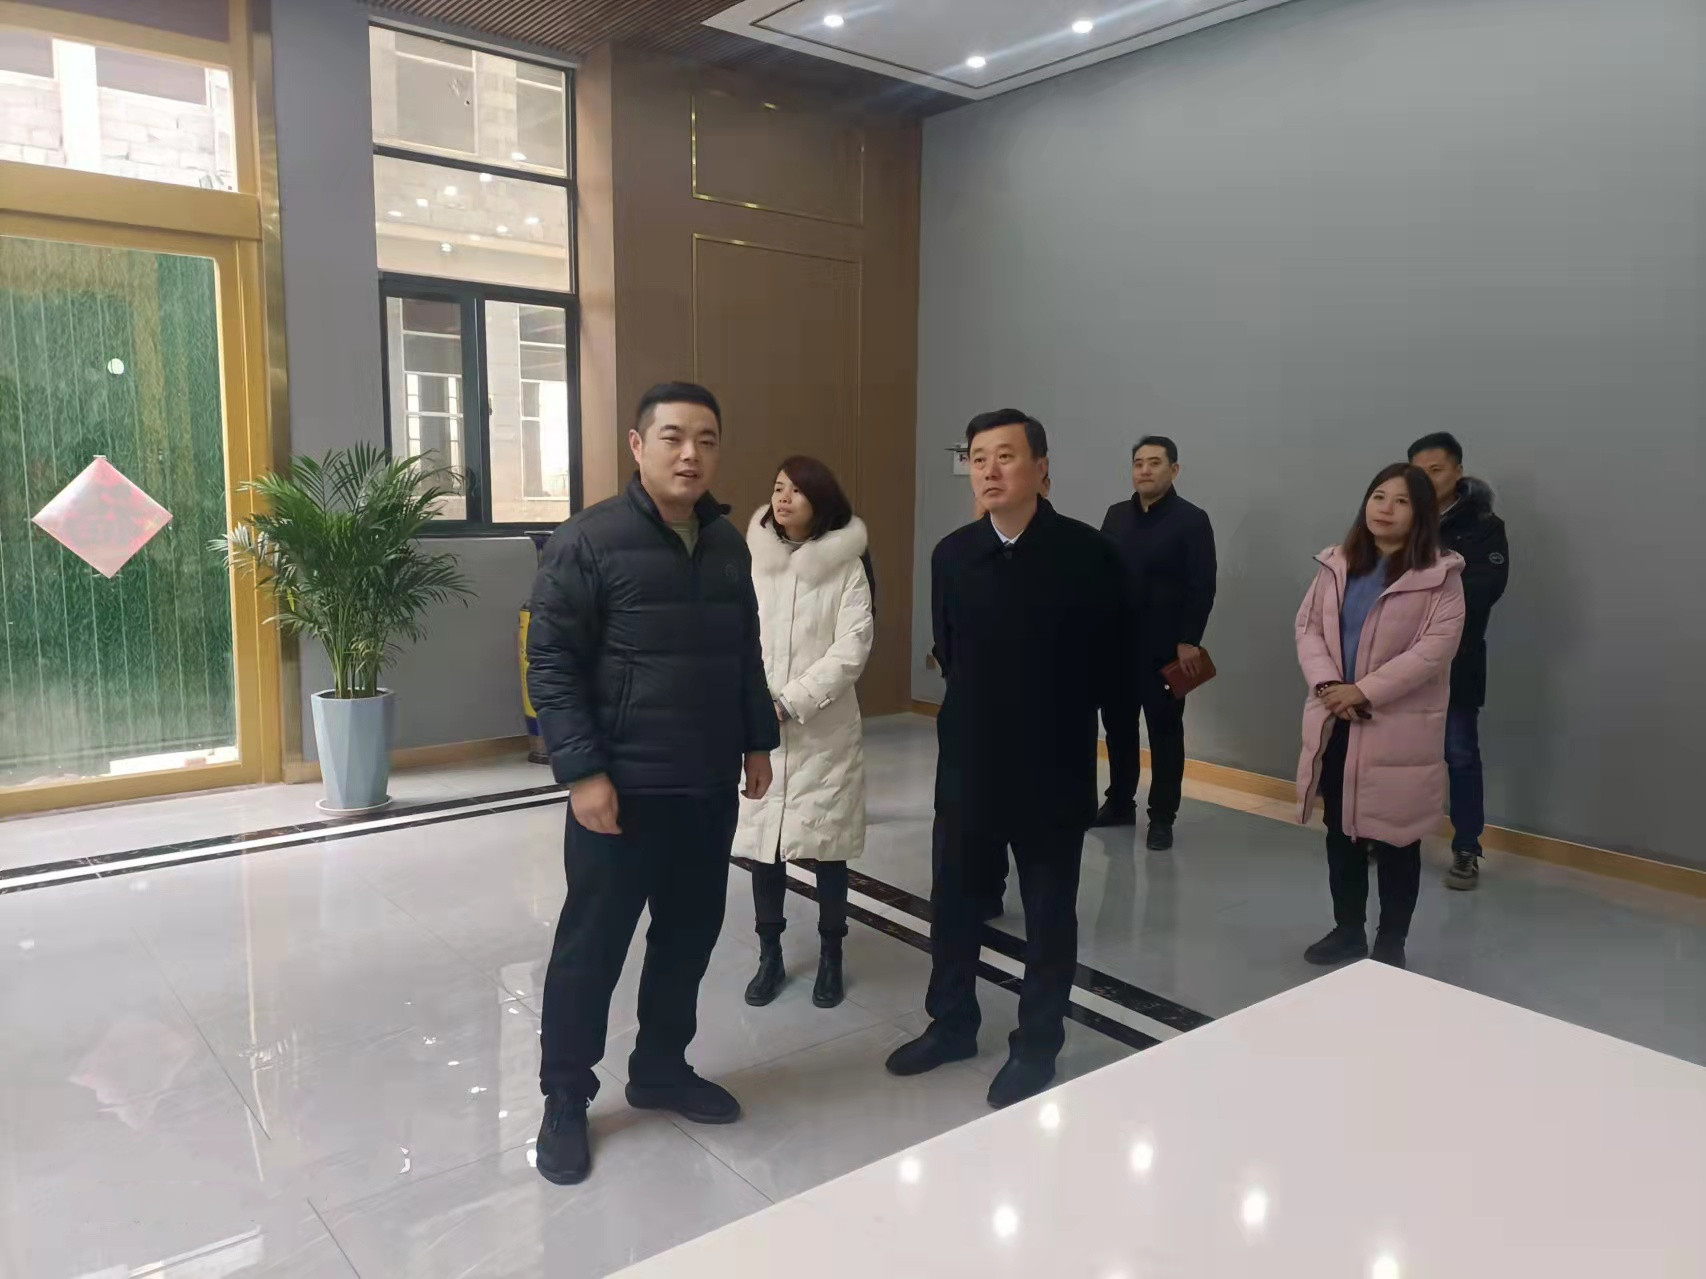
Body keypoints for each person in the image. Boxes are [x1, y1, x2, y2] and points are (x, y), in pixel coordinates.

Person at [525, 382, 777, 1186]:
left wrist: (756, 740)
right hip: (622, 791)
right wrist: (584, 772)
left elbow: (743, 651)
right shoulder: (588, 540)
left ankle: (661, 1066)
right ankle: (566, 1096)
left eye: (706, 439)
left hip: (703, 785)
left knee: (688, 935)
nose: (689, 454)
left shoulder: (727, 543)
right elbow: (551, 664)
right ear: (638, 445)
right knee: (592, 947)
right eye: (672, 437)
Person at [888, 410, 1132, 1108]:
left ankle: (1038, 1042)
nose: (989, 470)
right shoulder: (953, 554)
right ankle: (951, 1022)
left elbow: (1113, 662)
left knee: (1049, 910)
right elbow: (950, 650)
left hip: (1053, 763)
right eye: (978, 458)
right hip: (970, 760)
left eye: (1005, 456)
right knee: (955, 899)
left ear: (1041, 468)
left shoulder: (1088, 553)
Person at [1293, 463, 1465, 971]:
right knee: (1340, 831)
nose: (1385, 509)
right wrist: (1329, 686)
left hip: (1397, 728)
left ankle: (1391, 941)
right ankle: (1348, 930)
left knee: (1397, 838)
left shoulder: (1440, 576)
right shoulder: (1337, 565)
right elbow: (1308, 629)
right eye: (1378, 496)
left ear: (1422, 513)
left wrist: (1363, 690)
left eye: (1401, 501)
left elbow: (1434, 650)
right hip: (1337, 719)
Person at [736, 457, 876, 1011]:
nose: (783, 498)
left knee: (828, 848)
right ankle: (769, 955)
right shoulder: (755, 563)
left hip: (824, 731)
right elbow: (735, 636)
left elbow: (852, 647)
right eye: (777, 488)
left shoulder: (846, 566)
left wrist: (789, 702)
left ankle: (831, 955)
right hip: (760, 731)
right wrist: (754, 702)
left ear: (821, 499)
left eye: (796, 490)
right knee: (764, 848)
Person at [1096, 437, 1217, 850]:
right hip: (1117, 646)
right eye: (1138, 463)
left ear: (1174, 470)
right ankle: (1119, 803)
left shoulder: (1191, 520)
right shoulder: (1116, 515)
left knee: (1164, 732)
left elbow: (1202, 585)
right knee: (1118, 728)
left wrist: (1190, 640)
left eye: (1154, 463)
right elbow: (1102, 573)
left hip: (1166, 649)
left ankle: (1162, 817)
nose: (1144, 470)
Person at [1407, 432, 1509, 890]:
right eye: (1419, 472)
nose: (1428, 480)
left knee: (1460, 753)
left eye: (1437, 470)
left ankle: (1467, 847)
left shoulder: (1484, 524)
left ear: (1458, 471)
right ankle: (1393, 836)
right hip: (1398, 658)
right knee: (1401, 751)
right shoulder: (1399, 514)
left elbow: (1487, 586)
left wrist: (1423, 592)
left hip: (1457, 657)